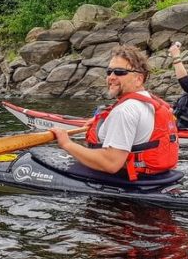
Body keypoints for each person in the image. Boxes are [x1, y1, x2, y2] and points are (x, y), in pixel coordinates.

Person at [50, 44, 179, 181]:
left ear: (138, 79)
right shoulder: (150, 102)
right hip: (156, 176)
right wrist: (101, 123)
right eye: (109, 71)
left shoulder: (125, 110)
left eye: (119, 72)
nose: (111, 77)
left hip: (129, 179)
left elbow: (111, 163)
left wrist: (67, 144)